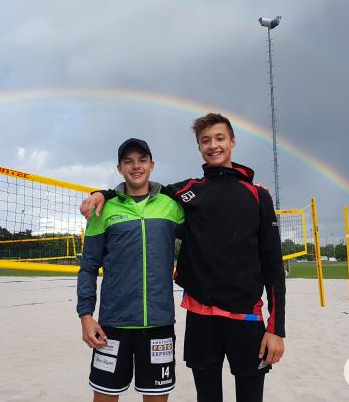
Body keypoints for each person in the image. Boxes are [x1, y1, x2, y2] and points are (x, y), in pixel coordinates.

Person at [81, 113, 286, 402]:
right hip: (188, 319)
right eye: (205, 140)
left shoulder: (254, 196)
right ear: (199, 147)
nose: (213, 145)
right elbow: (137, 194)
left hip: (238, 318)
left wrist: (277, 329)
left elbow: (273, 266)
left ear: (232, 142)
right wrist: (101, 193)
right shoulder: (187, 192)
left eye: (219, 138)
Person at [77, 138, 185, 401]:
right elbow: (89, 267)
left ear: (152, 165)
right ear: (119, 168)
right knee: (104, 396)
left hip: (158, 324)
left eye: (142, 160)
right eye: (128, 161)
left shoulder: (172, 206)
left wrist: (247, 188)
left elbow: (209, 216)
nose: (136, 166)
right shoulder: (103, 209)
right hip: (113, 325)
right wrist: (86, 316)